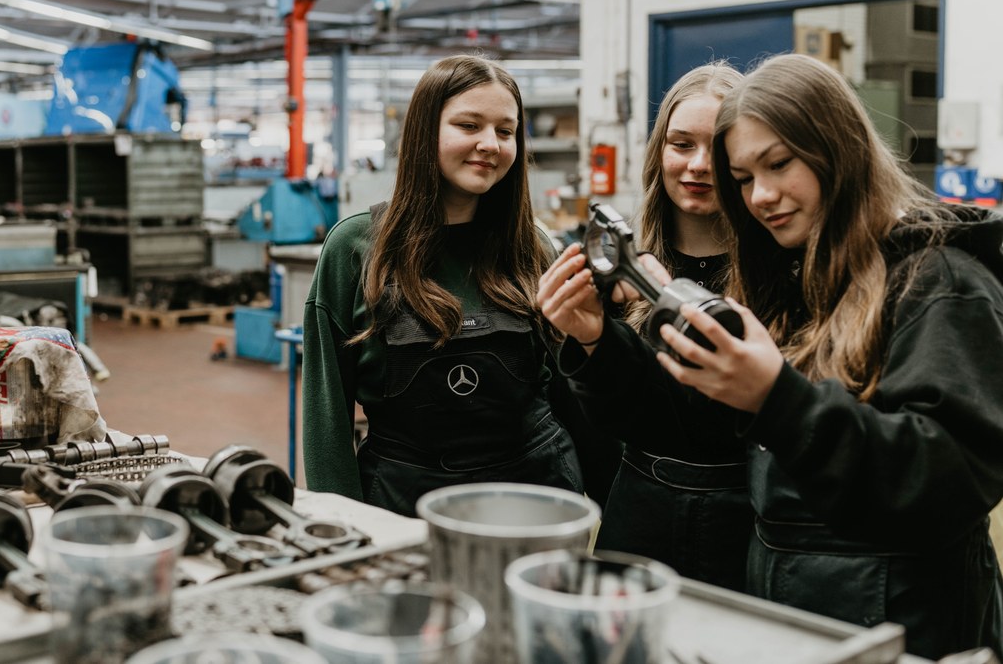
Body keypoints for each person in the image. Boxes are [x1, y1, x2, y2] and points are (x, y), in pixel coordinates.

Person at [656, 53, 1003, 657]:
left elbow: (944, 481)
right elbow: (703, 438)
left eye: (779, 164)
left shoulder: (940, 280)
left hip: (901, 621)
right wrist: (595, 345)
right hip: (796, 610)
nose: (761, 195)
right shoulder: (796, 281)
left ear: (837, 149)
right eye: (742, 178)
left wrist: (778, 399)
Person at [300, 54, 593, 517]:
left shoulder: (533, 247)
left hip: (533, 498)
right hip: (404, 505)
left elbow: (570, 394)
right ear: (423, 132)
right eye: (468, 125)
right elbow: (327, 417)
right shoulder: (354, 249)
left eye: (505, 130)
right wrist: (343, 526)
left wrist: (603, 504)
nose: (490, 144)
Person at [536, 62, 754, 591]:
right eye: (681, 145)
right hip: (638, 510)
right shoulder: (619, 269)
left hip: (744, 520)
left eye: (719, 148)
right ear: (659, 151)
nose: (699, 165)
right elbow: (604, 419)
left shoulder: (775, 274)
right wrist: (588, 337)